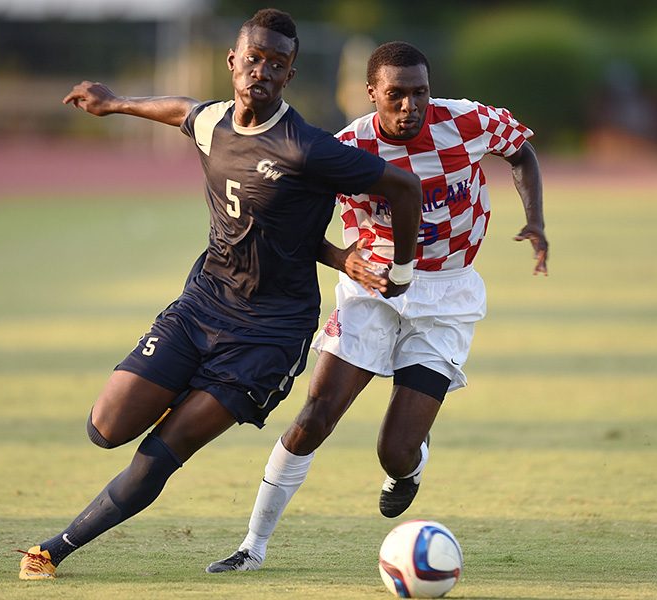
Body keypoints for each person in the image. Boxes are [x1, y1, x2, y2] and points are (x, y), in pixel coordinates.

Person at [17, 11, 423, 580]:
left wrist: (401, 270)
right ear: (233, 62)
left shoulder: (308, 148)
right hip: (203, 304)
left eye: (276, 64)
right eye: (254, 58)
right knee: (104, 428)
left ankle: (54, 549)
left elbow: (403, 187)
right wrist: (114, 103)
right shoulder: (215, 122)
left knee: (165, 448)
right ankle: (182, 383)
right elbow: (180, 110)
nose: (262, 70)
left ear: (288, 75)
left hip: (269, 335)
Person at [206, 40, 548, 573]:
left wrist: (536, 220)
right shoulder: (344, 150)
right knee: (317, 414)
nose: (410, 106)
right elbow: (294, 229)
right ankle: (253, 545)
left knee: (394, 451)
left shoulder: (468, 122)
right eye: (396, 95)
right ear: (372, 95)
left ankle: (409, 465)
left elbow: (521, 150)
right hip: (372, 292)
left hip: (449, 296)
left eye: (419, 93)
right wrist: (345, 261)